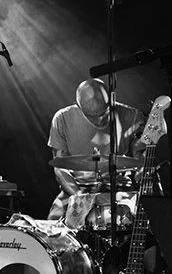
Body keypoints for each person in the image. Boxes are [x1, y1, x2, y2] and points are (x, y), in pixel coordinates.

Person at [47, 78, 145, 221]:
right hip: (76, 189)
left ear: (112, 99)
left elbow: (141, 162)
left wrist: (140, 188)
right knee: (52, 228)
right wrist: (78, 196)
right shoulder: (62, 118)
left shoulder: (133, 116)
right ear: (78, 106)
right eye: (91, 117)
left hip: (120, 189)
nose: (99, 121)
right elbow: (60, 168)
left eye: (104, 113)